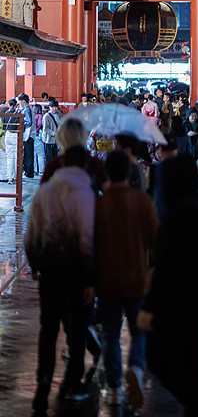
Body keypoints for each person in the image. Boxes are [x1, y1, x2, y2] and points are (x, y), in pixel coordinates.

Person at [137, 155, 198, 417]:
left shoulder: (176, 215)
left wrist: (149, 306)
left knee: (160, 358)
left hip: (178, 300)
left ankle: (196, 407)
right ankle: (196, 405)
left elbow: (165, 267)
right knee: (193, 357)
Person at [25, 145, 96, 410]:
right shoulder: (86, 194)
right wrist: (91, 279)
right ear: (84, 165)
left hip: (50, 270)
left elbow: (32, 232)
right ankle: (72, 384)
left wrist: (34, 263)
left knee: (48, 329)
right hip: (77, 271)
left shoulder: (45, 192)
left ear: (63, 163)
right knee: (76, 330)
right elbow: (88, 239)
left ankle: (42, 385)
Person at [95, 151, 159, 408]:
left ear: (108, 173)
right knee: (139, 331)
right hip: (136, 277)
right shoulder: (141, 201)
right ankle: (136, 368)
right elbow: (156, 241)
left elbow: (91, 246)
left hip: (107, 281)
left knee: (110, 335)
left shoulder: (100, 204)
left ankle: (113, 387)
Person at [17, 92, 35, 179]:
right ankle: (29, 171)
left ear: (23, 101)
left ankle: (29, 172)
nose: (19, 103)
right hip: (29, 135)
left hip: (28, 135)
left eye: (20, 101)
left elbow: (28, 122)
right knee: (28, 154)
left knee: (28, 154)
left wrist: (22, 124)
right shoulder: (28, 109)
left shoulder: (27, 110)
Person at [4, 98, 19, 184]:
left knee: (10, 157)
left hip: (8, 134)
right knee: (17, 156)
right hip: (15, 135)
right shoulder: (17, 113)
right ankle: (17, 177)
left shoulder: (6, 113)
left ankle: (10, 177)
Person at [41, 99, 61, 163]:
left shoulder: (59, 114)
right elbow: (46, 128)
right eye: (53, 107)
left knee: (55, 157)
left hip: (56, 140)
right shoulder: (46, 116)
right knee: (49, 158)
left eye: (56, 107)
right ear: (49, 107)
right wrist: (54, 133)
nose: (54, 109)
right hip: (48, 140)